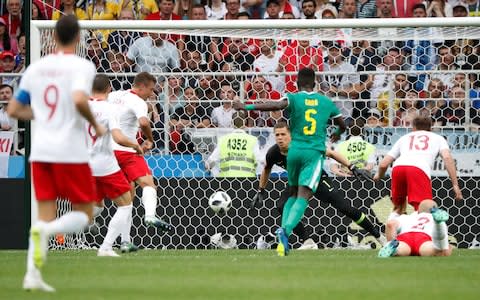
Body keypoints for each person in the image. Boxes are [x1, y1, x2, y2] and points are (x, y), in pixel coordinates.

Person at [7, 15, 105, 292]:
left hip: (41, 152)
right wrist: (95, 123)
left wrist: (41, 115)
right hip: (70, 152)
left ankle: (31, 276)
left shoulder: (36, 69)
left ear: (53, 37)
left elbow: (13, 110)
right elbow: (76, 99)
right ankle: (46, 233)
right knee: (85, 214)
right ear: (77, 38)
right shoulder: (82, 66)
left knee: (44, 215)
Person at [234, 67, 347, 256]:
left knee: (292, 194)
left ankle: (282, 238)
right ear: (315, 84)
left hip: (293, 152)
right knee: (303, 195)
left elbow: (275, 106)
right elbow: (342, 125)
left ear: (296, 83)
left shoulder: (293, 98)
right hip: (312, 153)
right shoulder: (326, 102)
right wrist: (336, 133)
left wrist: (247, 107)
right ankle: (285, 230)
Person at [251, 122, 385, 250]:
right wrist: (261, 190)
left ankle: (379, 237)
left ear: (291, 135)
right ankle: (308, 241)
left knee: (346, 208)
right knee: (281, 206)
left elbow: (331, 153)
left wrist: (352, 167)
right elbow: (266, 169)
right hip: (297, 182)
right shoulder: (273, 153)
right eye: (277, 135)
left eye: (283, 134)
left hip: (318, 178)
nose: (280, 138)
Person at [108, 72, 173, 252]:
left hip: (108, 152)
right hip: (127, 150)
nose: (152, 94)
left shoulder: (114, 95)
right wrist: (150, 139)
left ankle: (125, 241)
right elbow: (144, 122)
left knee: (127, 200)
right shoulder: (138, 102)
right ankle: (150, 215)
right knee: (148, 184)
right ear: (142, 86)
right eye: (151, 90)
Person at [87, 74, 143, 257]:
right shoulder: (109, 109)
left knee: (98, 205)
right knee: (126, 204)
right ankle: (106, 247)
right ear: (109, 89)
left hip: (85, 164)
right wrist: (135, 145)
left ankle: (81, 220)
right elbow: (118, 137)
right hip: (105, 164)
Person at [373, 115, 463, 221]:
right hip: (418, 169)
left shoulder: (404, 138)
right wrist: (455, 185)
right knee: (423, 207)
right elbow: (447, 158)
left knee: (398, 207)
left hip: (398, 167)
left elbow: (383, 164)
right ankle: (419, 235)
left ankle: (391, 234)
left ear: (413, 127)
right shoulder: (438, 138)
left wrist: (379, 175)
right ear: (431, 128)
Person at [378, 200, 452, 257]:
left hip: (405, 237)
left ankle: (393, 249)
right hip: (423, 238)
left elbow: (391, 224)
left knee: (400, 249)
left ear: (418, 211)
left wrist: (391, 240)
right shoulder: (432, 217)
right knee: (438, 250)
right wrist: (446, 247)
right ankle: (438, 224)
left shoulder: (407, 217)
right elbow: (446, 249)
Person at [205, 111, 262, 177]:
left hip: (227, 179)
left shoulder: (223, 139)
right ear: (245, 122)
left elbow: (211, 160)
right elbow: (259, 159)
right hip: (248, 179)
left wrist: (207, 166)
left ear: (232, 123)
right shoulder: (253, 140)